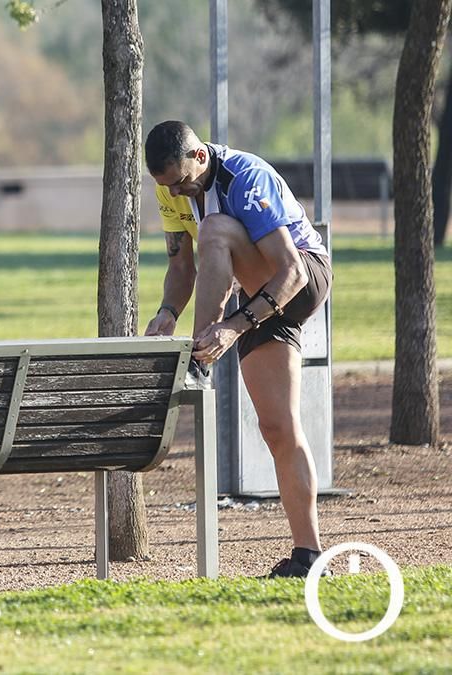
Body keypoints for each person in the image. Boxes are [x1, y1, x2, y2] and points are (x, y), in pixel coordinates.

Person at [142, 121, 333, 578]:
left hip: (301, 278)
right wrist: (168, 310)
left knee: (213, 229)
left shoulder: (244, 177)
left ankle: (196, 361)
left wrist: (229, 328)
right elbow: (182, 266)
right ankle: (310, 555)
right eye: (168, 186)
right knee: (278, 427)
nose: (178, 192)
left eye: (183, 181)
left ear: (200, 157)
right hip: (255, 296)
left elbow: (293, 273)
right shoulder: (170, 188)